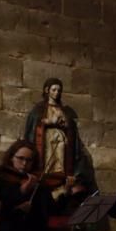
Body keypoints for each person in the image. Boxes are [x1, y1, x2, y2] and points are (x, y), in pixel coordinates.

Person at [23, 77, 94, 213]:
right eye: (54, 90)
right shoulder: (38, 110)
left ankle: (60, 180)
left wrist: (65, 124)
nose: (56, 93)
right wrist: (48, 122)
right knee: (48, 160)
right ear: (47, 90)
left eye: (59, 90)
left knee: (60, 158)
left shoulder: (65, 110)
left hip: (61, 143)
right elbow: (33, 128)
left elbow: (71, 128)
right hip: (46, 143)